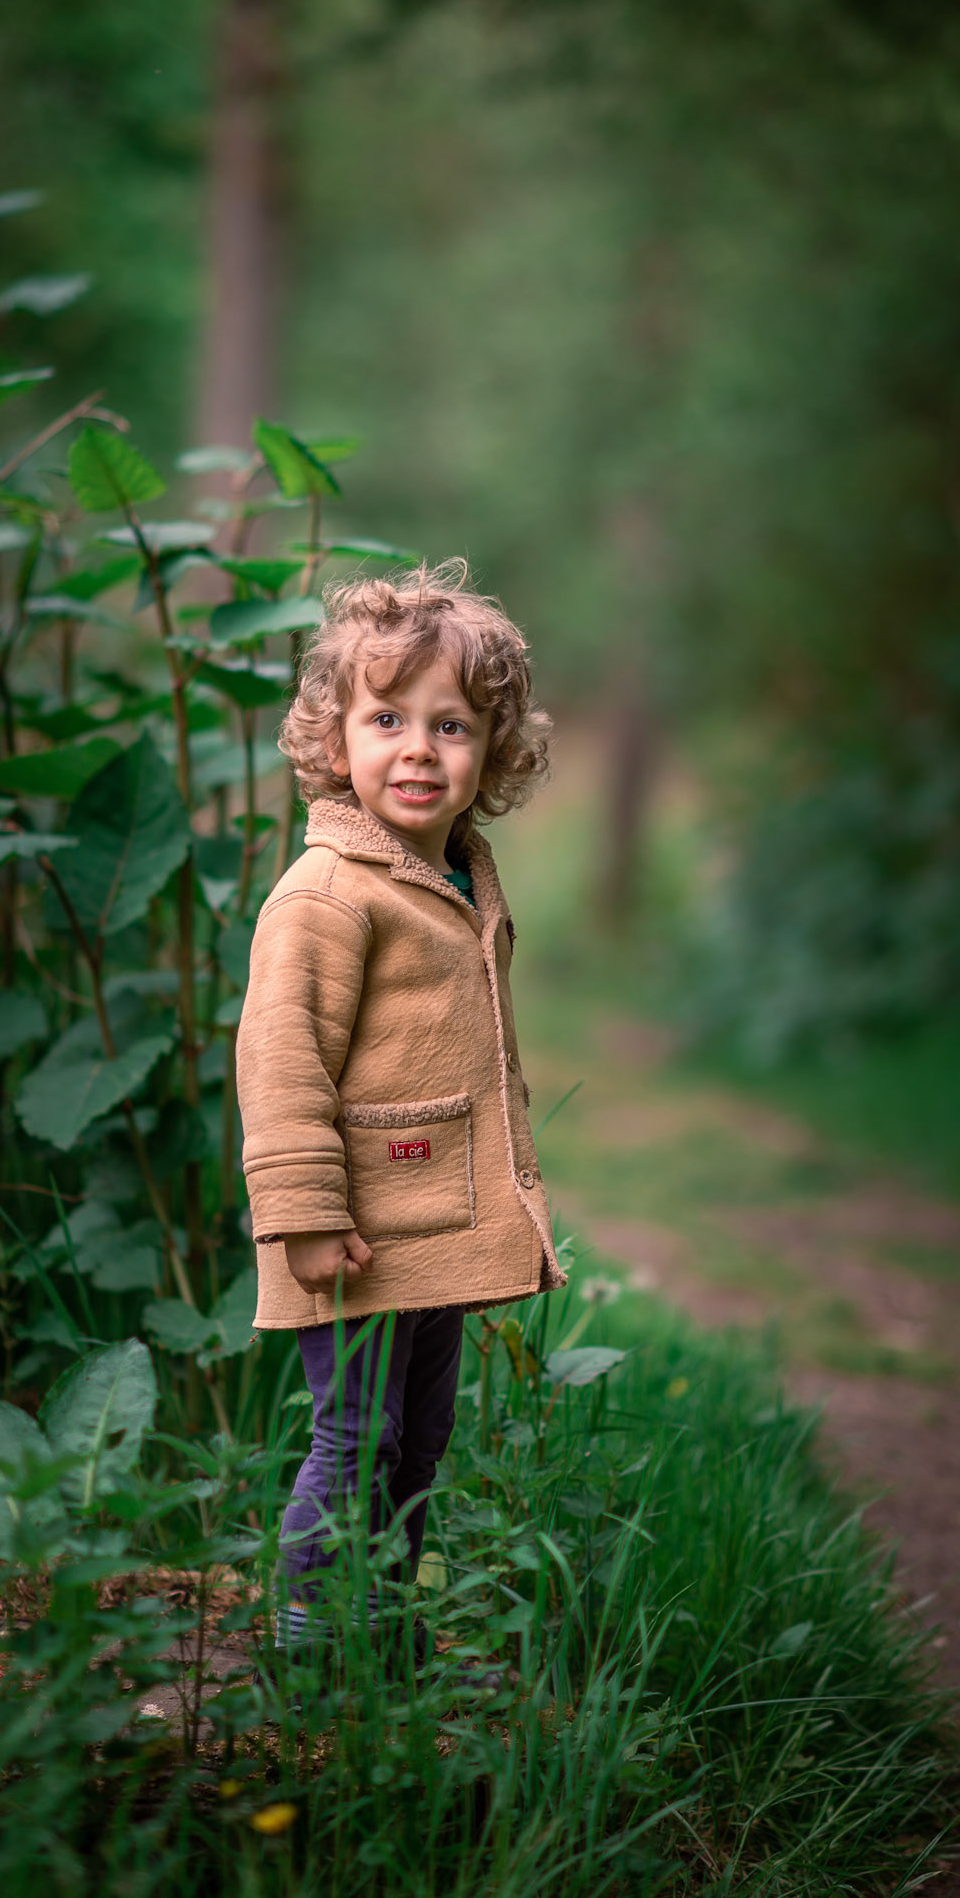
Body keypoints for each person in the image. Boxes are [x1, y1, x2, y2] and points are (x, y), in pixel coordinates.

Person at [235, 561, 565, 1654]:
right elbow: (280, 1063)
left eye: (452, 724)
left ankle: (383, 1619)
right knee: (354, 1430)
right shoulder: (327, 892)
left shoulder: (455, 874)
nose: (419, 747)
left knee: (418, 1435)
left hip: (432, 1224)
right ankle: (310, 1629)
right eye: (386, 717)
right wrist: (304, 1213)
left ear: (494, 752)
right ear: (334, 742)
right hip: (358, 1232)